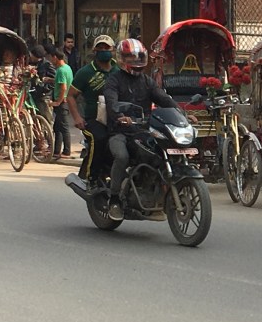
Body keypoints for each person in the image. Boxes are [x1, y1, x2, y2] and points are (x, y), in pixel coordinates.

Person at [102, 39, 177, 220]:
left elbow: (163, 98)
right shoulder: (114, 80)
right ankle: (114, 200)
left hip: (142, 131)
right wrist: (121, 117)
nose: (135, 61)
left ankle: (155, 195)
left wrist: (180, 112)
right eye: (130, 57)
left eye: (138, 57)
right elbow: (111, 103)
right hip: (119, 131)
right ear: (121, 59)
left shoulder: (147, 81)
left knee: (160, 154)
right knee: (122, 156)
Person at [68, 35, 117, 181]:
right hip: (93, 119)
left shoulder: (119, 70)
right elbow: (70, 96)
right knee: (99, 139)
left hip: (116, 118)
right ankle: (91, 177)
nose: (103, 51)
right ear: (94, 50)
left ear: (113, 50)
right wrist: (77, 117)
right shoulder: (85, 72)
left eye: (106, 48)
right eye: (100, 48)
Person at [48, 46, 75, 158]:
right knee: (57, 127)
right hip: (65, 100)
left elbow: (63, 87)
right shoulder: (67, 68)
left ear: (55, 57)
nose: (51, 61)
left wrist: (58, 101)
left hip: (62, 101)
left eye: (51, 58)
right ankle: (56, 151)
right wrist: (50, 80)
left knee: (63, 127)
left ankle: (67, 151)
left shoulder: (60, 70)